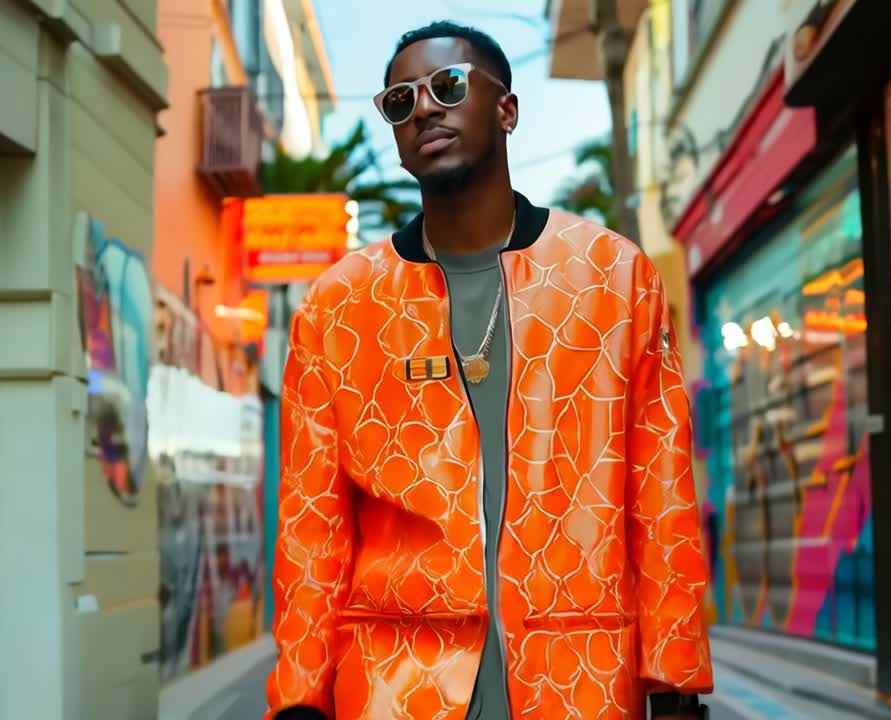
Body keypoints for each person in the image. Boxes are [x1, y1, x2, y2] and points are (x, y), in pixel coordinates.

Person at [266, 21, 712, 720]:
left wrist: (676, 679)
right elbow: (311, 524)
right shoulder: (339, 306)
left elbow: (659, 496)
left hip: (579, 682)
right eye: (398, 101)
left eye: (446, 87)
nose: (423, 110)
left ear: (506, 109)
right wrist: (299, 696)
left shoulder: (613, 278)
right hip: (394, 687)